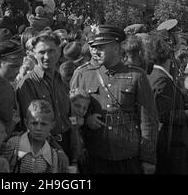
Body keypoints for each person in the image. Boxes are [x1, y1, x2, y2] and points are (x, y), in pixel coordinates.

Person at [70, 25, 158, 174]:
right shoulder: (84, 74)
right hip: (95, 156)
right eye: (94, 47)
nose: (96, 51)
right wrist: (86, 120)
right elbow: (71, 115)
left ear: (116, 48)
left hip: (128, 157)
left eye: (101, 47)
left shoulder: (137, 75)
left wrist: (148, 158)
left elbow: (148, 119)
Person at [17, 31, 71, 159]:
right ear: (34, 54)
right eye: (42, 52)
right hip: (44, 149)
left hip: (68, 143)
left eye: (51, 51)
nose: (47, 56)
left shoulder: (61, 80)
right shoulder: (27, 84)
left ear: (59, 51)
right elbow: (32, 126)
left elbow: (68, 117)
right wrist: (57, 151)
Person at [148, 34, 188, 174]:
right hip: (170, 146)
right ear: (169, 57)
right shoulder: (161, 79)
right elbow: (163, 115)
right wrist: (185, 114)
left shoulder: (157, 75)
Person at [1, 100, 60, 173]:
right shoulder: (14, 144)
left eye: (43, 124)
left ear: (52, 125)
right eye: (34, 123)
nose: (38, 128)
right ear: (26, 123)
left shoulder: (52, 155)